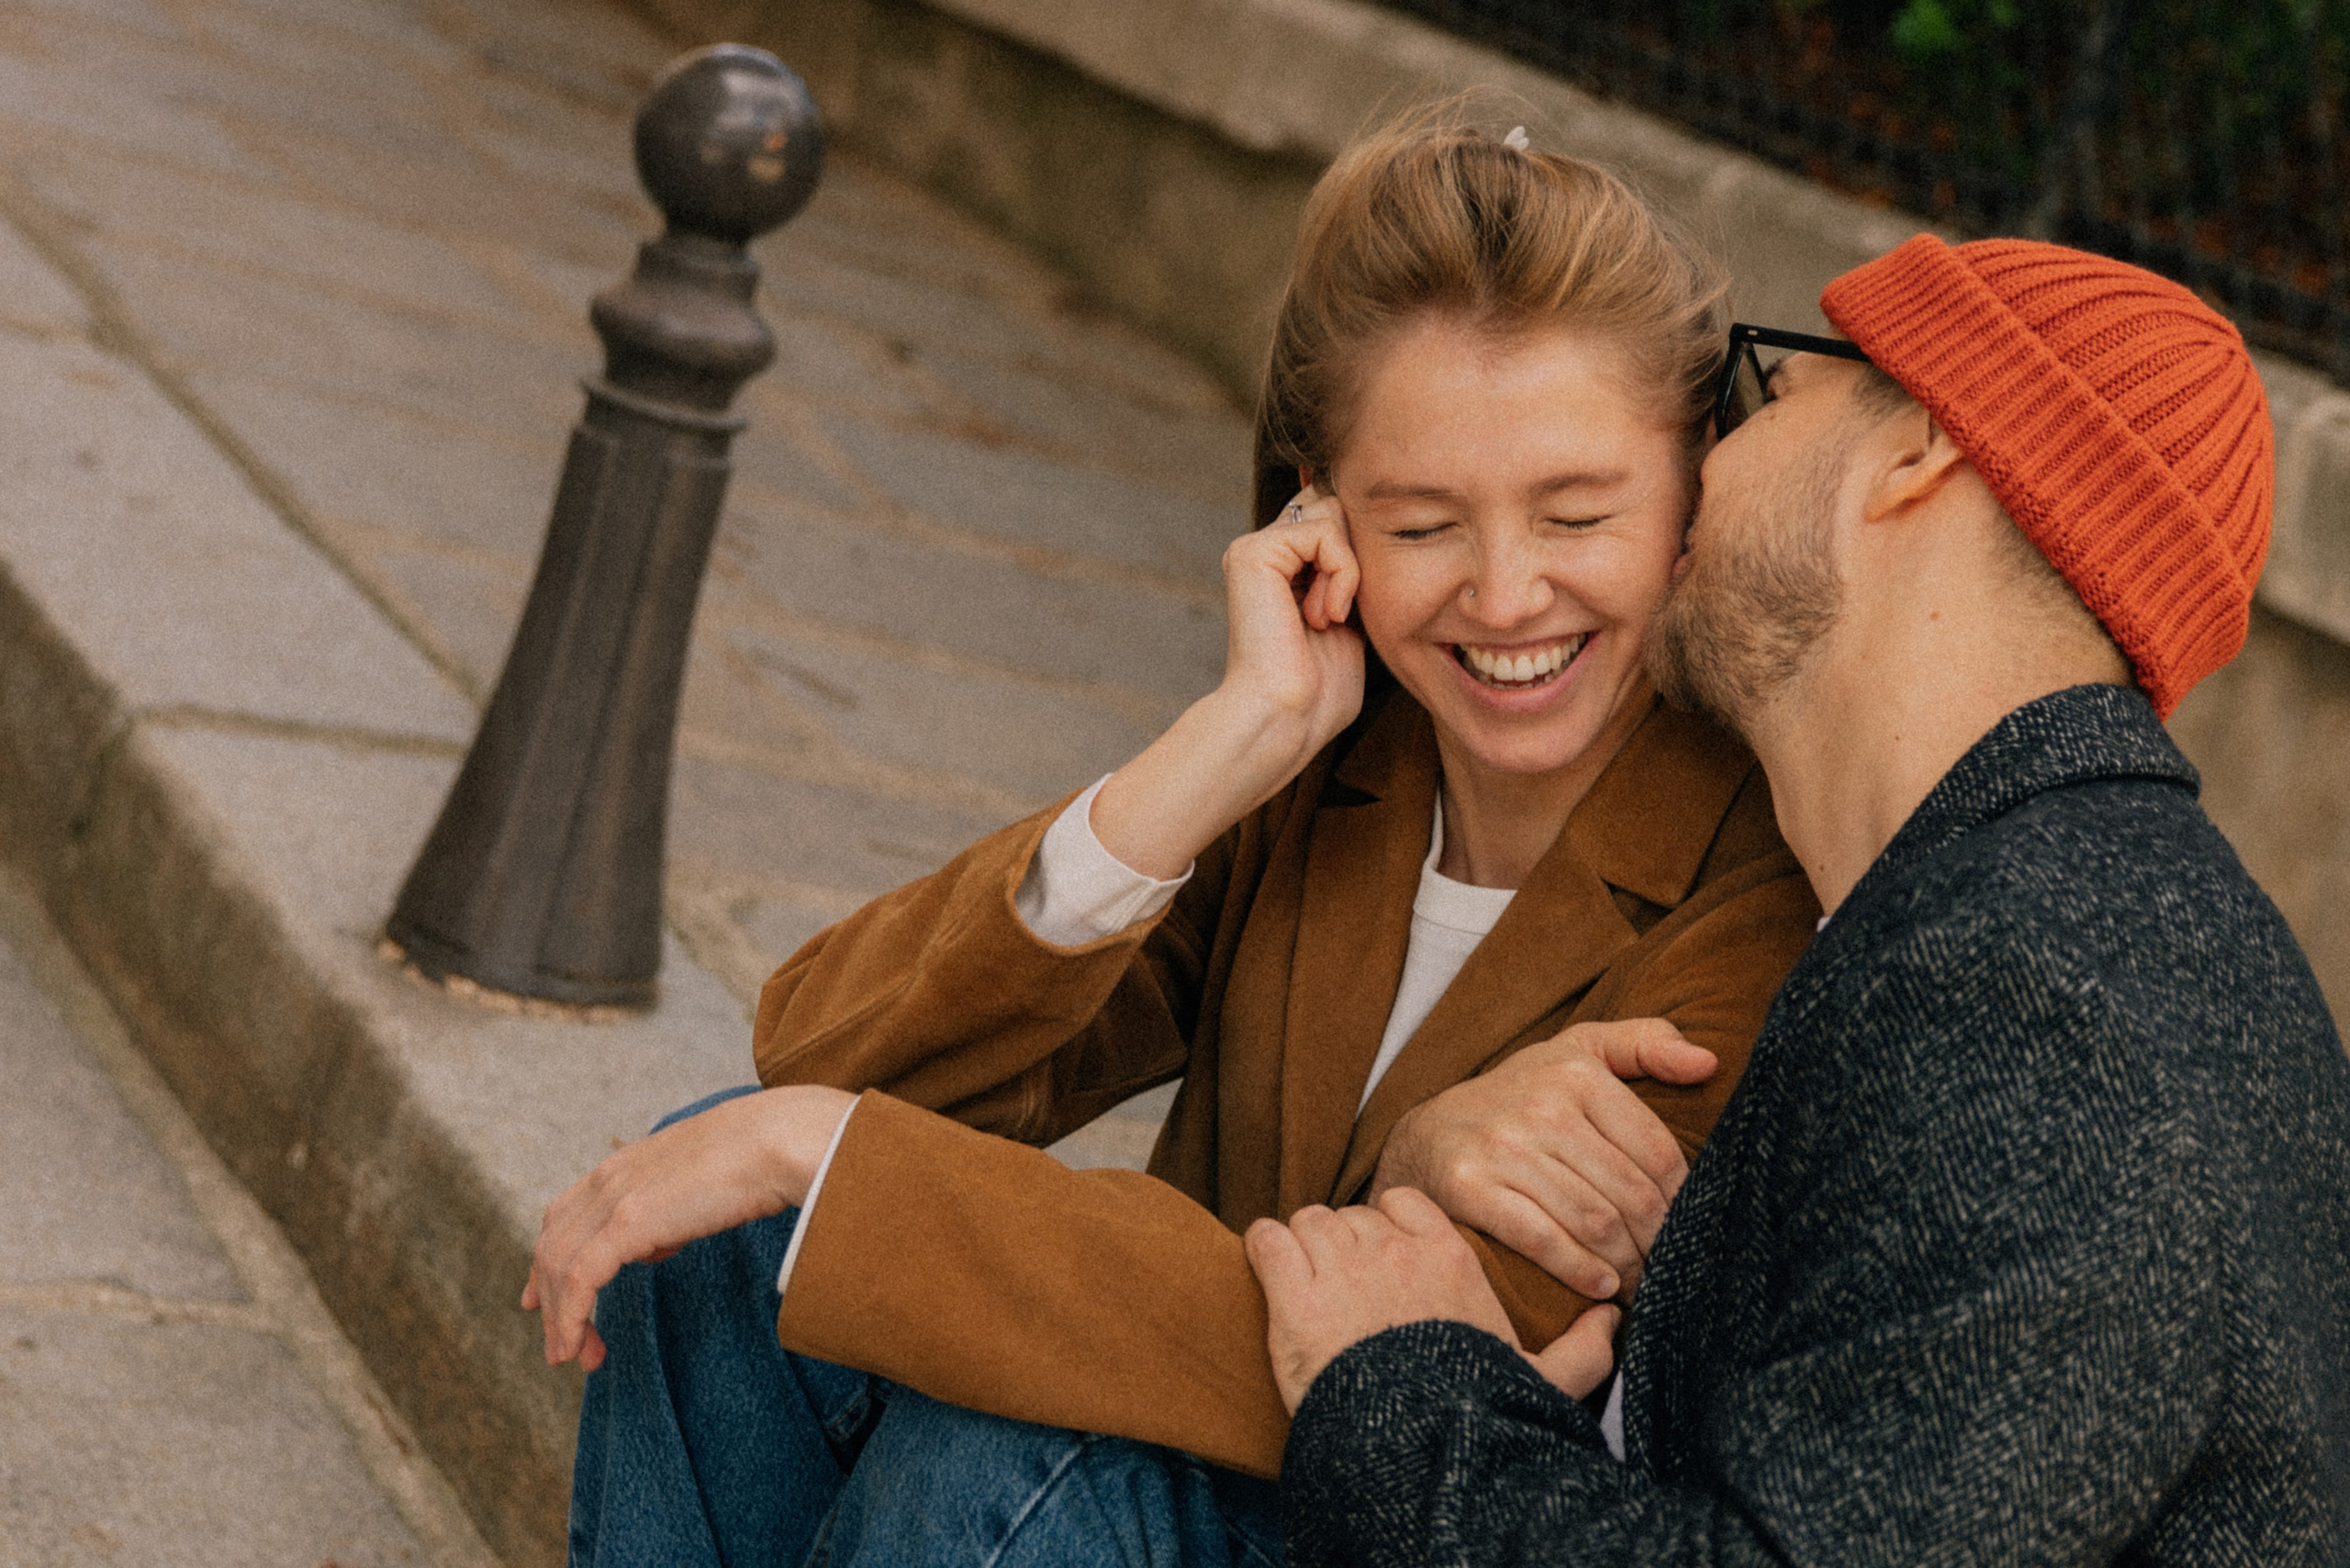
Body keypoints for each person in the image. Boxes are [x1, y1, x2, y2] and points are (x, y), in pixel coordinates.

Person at [529, 124, 1823, 1566]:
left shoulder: (1766, 873)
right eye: (1421, 524)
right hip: (1181, 1446)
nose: (1506, 593)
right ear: (1317, 510)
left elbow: (1459, 1339)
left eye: (1579, 513)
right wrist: (1236, 734)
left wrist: (819, 1152)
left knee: (1002, 1443)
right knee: (712, 1230)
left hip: (1397, 1521)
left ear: (1695, 496)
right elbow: (826, 1053)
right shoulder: (1339, 767)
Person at [1251, 236, 2350, 1565]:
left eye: (1778, 389)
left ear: (1919, 448)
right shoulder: (2053, 917)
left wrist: (1399, 1380)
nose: (1711, 456)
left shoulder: (2030, 991)